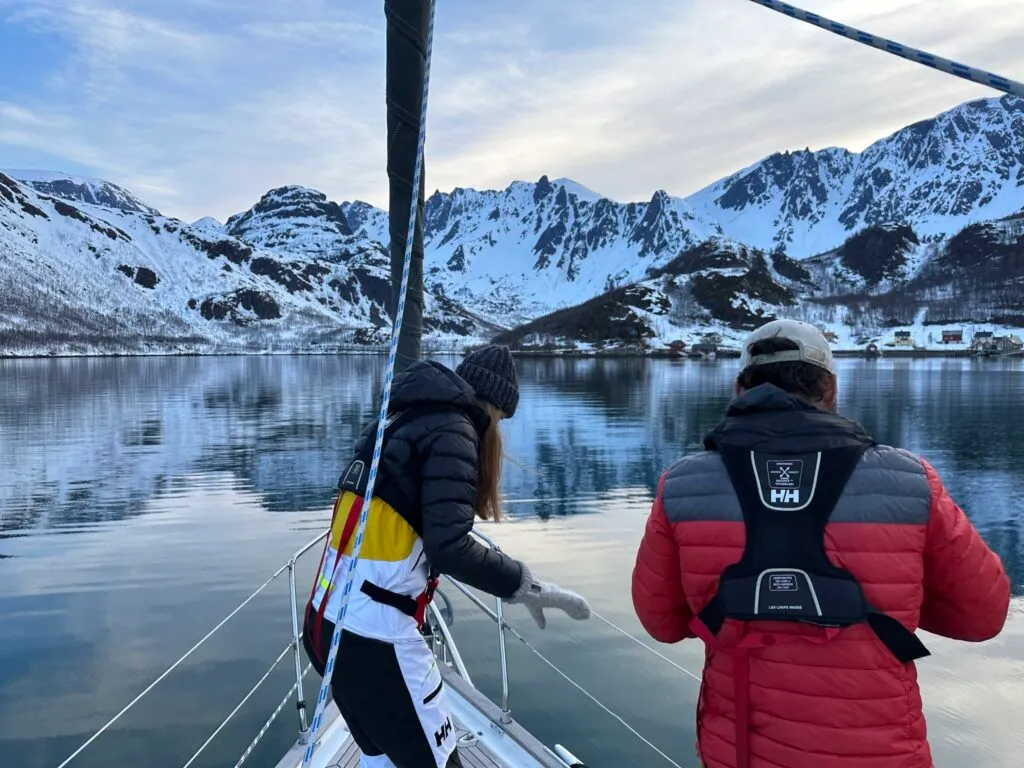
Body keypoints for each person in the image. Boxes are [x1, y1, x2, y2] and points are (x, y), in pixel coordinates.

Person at [631, 319, 1010, 768]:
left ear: (739, 390)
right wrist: (889, 595)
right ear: (830, 389)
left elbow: (663, 622)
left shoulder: (682, 486)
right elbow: (983, 616)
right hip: (878, 752)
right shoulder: (911, 481)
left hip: (740, 750)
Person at [304, 344, 591, 768]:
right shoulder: (455, 429)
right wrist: (525, 586)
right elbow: (451, 547)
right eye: (501, 422)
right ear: (493, 409)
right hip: (376, 639)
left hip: (324, 624)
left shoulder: (397, 418)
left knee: (380, 758)